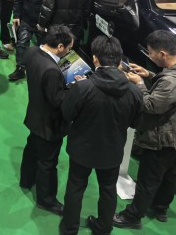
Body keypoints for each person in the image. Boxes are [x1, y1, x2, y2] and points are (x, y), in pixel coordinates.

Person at [113, 30, 176, 230]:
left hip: (163, 139)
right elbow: (172, 91)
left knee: (148, 180)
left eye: (151, 53)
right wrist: (150, 75)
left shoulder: (170, 82)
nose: (149, 56)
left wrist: (139, 84)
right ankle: (161, 207)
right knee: (169, 175)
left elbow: (150, 105)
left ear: (162, 54)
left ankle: (132, 216)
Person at [60, 36, 144, 235]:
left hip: (82, 148)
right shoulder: (134, 92)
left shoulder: (83, 87)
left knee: (75, 187)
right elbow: (136, 123)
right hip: (112, 150)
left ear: (95, 59)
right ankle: (104, 227)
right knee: (108, 189)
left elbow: (67, 113)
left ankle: (69, 228)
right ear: (119, 60)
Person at [19, 25, 74, 217]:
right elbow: (57, 101)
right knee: (47, 162)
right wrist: (73, 88)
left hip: (35, 115)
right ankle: (46, 200)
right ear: (60, 46)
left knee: (32, 148)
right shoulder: (51, 70)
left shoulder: (33, 51)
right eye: (68, 48)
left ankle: (26, 180)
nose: (69, 52)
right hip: (49, 123)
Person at [10, 0, 52, 81]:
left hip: (42, 23)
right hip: (26, 19)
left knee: (43, 48)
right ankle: (20, 69)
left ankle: (38, 70)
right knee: (22, 43)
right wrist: (16, 15)